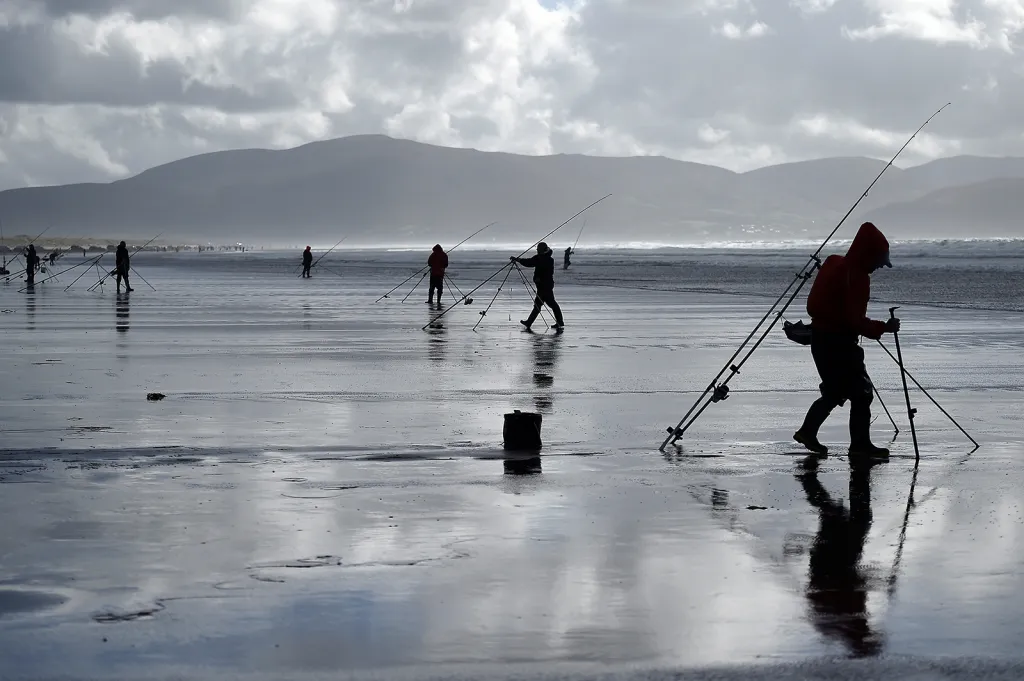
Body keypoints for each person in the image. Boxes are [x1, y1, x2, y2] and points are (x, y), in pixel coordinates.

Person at [794, 221, 899, 460]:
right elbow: (855, 321)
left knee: (833, 392)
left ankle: (807, 432)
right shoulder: (858, 277)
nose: (878, 267)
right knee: (862, 394)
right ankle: (860, 446)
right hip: (839, 344)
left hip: (820, 340)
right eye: (878, 262)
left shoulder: (834, 262)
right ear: (868, 255)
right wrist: (884, 327)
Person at [511, 242, 564, 331]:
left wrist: (518, 260)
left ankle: (530, 322)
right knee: (543, 304)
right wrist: (518, 260)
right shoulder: (540, 258)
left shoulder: (547, 259)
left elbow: (533, 263)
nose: (537, 251)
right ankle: (530, 322)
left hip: (545, 285)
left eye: (539, 250)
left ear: (543, 250)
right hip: (542, 285)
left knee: (547, 304)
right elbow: (529, 262)